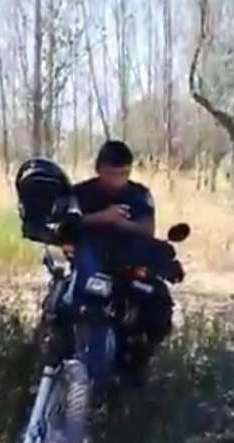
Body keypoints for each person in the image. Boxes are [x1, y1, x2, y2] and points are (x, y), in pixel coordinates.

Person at [70, 140, 173, 383]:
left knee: (157, 305)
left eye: (123, 174)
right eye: (111, 174)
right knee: (73, 310)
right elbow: (68, 225)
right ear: (98, 169)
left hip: (128, 264)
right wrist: (101, 218)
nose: (117, 180)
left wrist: (121, 224)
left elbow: (147, 229)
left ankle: (135, 366)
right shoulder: (80, 192)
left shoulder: (139, 194)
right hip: (90, 263)